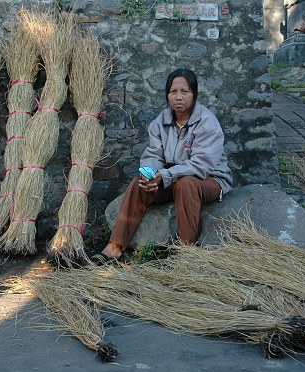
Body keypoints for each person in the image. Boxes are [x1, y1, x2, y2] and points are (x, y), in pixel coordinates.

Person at [91, 68, 233, 264]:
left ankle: (187, 253)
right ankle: (115, 246)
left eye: (185, 91)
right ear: (167, 95)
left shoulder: (207, 122)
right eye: (173, 92)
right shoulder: (161, 122)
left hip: (208, 179)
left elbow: (202, 165)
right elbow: (153, 155)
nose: (179, 97)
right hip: (172, 177)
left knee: (187, 184)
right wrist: (151, 174)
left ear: (194, 94)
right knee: (138, 183)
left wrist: (166, 174)